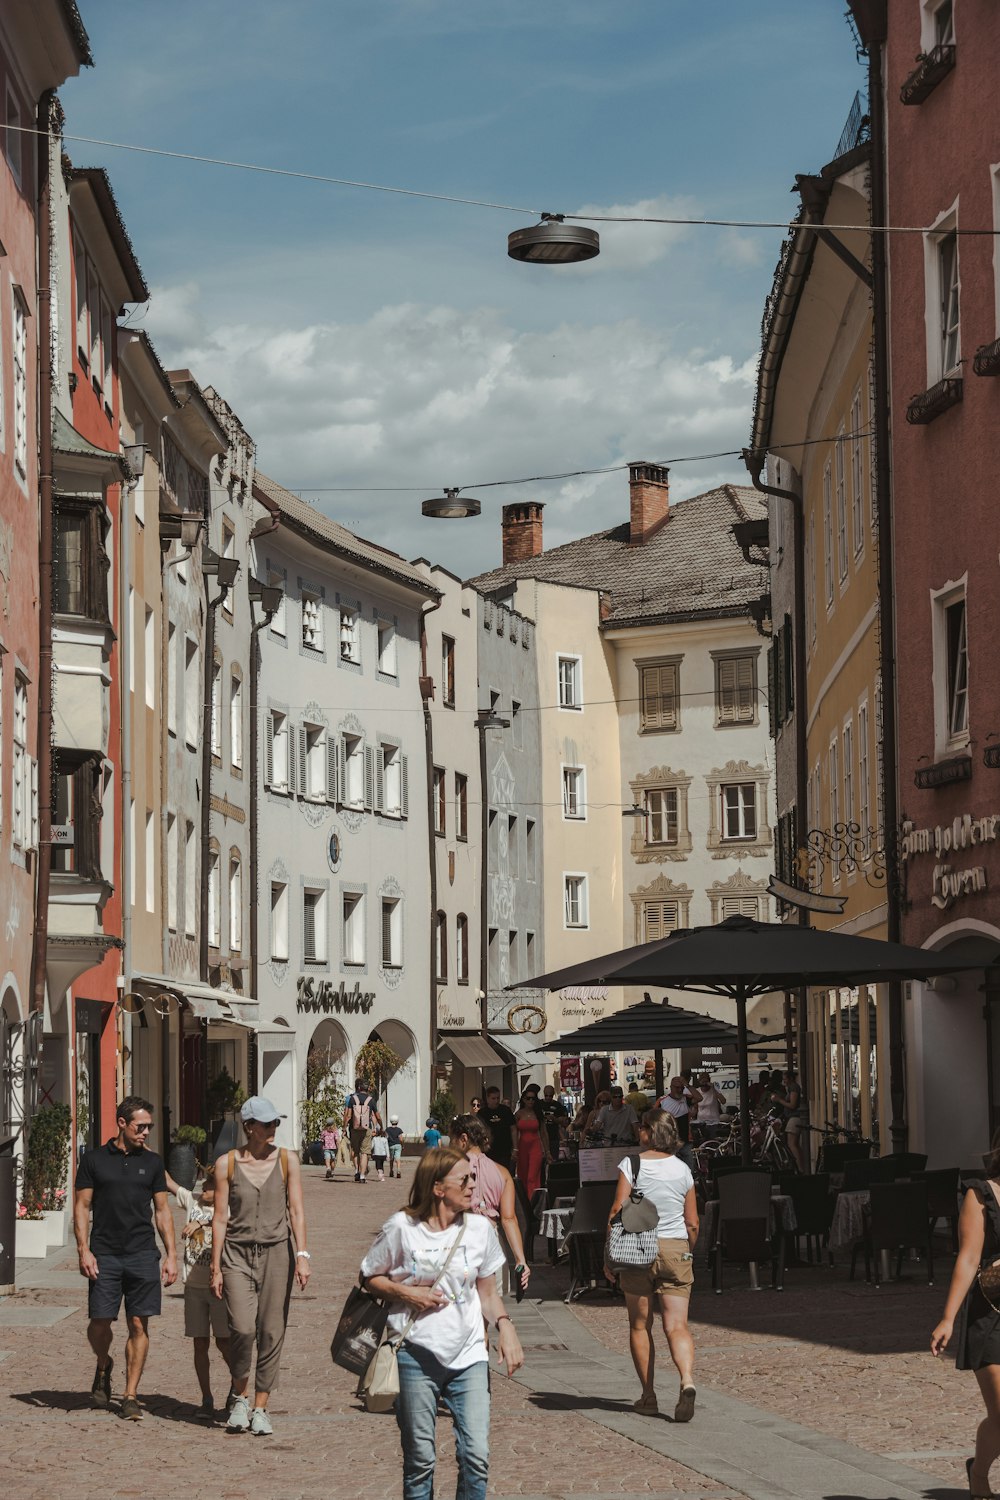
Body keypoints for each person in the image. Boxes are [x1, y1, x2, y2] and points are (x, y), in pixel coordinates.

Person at [360, 1147, 524, 1500]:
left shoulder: (480, 1229)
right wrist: (407, 1294)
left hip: (469, 1356)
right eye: (464, 1180)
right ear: (438, 1188)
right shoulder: (402, 1228)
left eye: (474, 1178)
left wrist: (505, 1326)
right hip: (415, 1353)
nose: (473, 1186)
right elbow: (368, 1276)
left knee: (476, 1455)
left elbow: (488, 1292)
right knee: (420, 1461)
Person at [210, 1096, 310, 1436]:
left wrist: (303, 1256)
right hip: (236, 1255)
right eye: (267, 1124)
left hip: (277, 1253)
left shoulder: (287, 1161)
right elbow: (220, 1217)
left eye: (275, 1123)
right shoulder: (226, 1163)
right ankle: (239, 1394)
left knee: (271, 1331)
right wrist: (215, 1266)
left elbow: (296, 1211)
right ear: (249, 1126)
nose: (273, 1129)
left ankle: (260, 1406)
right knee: (242, 1328)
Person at [74, 1095, 178, 1421]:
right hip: (104, 1253)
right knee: (99, 1324)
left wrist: (172, 1255)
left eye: (149, 1127)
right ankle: (103, 1363)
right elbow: (81, 1206)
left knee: (138, 1323)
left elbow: (162, 1212)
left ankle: (130, 1394)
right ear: (122, 1123)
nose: (146, 1132)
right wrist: (83, 1249)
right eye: (140, 1126)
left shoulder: (154, 1162)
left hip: (142, 1253)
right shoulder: (93, 1161)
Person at [605, 1108, 699, 1423]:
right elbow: (693, 1222)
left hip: (636, 1249)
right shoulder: (684, 1169)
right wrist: (687, 1252)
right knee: (677, 1326)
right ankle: (686, 1379)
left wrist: (609, 1256)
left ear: (648, 1132)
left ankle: (648, 1395)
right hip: (675, 1249)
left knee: (640, 1325)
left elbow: (617, 1210)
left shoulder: (632, 1164)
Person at [932, 1138, 1000, 1499]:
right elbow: (969, 1258)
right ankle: (980, 1473)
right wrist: (948, 1318)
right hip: (990, 1312)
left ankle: (978, 1469)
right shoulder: (981, 1194)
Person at [164, 1163, 233, 1417]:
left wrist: (202, 1226)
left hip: (219, 1288)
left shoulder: (228, 1211)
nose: (203, 1186)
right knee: (199, 1343)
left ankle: (238, 1387)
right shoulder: (193, 1204)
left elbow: (226, 1231)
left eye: (209, 1184)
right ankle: (206, 1398)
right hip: (193, 1287)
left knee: (225, 1343)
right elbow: (169, 1181)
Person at [451, 1114, 530, 1295]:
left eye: (453, 1139)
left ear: (463, 1139)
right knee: (489, 1305)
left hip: (459, 1237)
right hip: (491, 1241)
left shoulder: (450, 1169)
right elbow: (509, 1219)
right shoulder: (502, 1172)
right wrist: (521, 1260)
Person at [344, 1077, 382, 1184]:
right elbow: (377, 1116)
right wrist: (381, 1127)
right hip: (366, 1129)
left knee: (355, 1151)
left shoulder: (352, 1099)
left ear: (359, 1087)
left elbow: (348, 1116)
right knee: (365, 1152)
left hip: (354, 1128)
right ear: (368, 1088)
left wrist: (344, 1128)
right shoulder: (371, 1100)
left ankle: (356, 1170)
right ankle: (362, 1176)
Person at [513, 1091, 550, 1198]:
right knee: (523, 1176)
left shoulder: (538, 1113)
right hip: (522, 1147)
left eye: (533, 1099)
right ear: (523, 1099)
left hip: (535, 1146)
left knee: (532, 1177)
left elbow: (543, 1133)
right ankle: (525, 1203)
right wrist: (514, 1149)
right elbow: (514, 1132)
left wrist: (547, 1151)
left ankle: (533, 1201)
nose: (531, 1101)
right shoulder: (518, 1114)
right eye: (528, 1098)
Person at [481, 1086, 517, 1170]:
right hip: (489, 1151)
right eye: (493, 1098)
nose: (496, 1101)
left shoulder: (506, 1111)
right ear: (487, 1098)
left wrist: (515, 1148)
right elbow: (479, 1132)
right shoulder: (482, 1113)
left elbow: (513, 1129)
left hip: (504, 1151)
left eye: (498, 1098)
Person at [539, 1084, 569, 1164]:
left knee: (553, 1160)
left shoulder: (557, 1105)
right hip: (541, 1137)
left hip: (553, 1137)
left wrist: (555, 1119)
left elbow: (564, 1120)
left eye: (550, 1096)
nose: (548, 1097)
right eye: (546, 1095)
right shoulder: (538, 1104)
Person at [781, 1070, 805, 1172]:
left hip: (794, 1118)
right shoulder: (791, 1088)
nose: (784, 1081)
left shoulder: (794, 1088)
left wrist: (779, 1100)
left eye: (785, 1079)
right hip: (793, 1117)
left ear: (790, 1079)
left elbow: (792, 1105)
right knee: (794, 1144)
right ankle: (800, 1167)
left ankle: (800, 1168)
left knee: (792, 1144)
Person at [691, 1074, 725, 1142]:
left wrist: (714, 1088)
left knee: (713, 1141)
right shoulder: (697, 1091)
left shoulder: (713, 1091)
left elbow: (723, 1101)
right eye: (702, 1082)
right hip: (701, 1123)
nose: (704, 1085)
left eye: (706, 1082)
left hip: (713, 1122)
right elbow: (695, 1107)